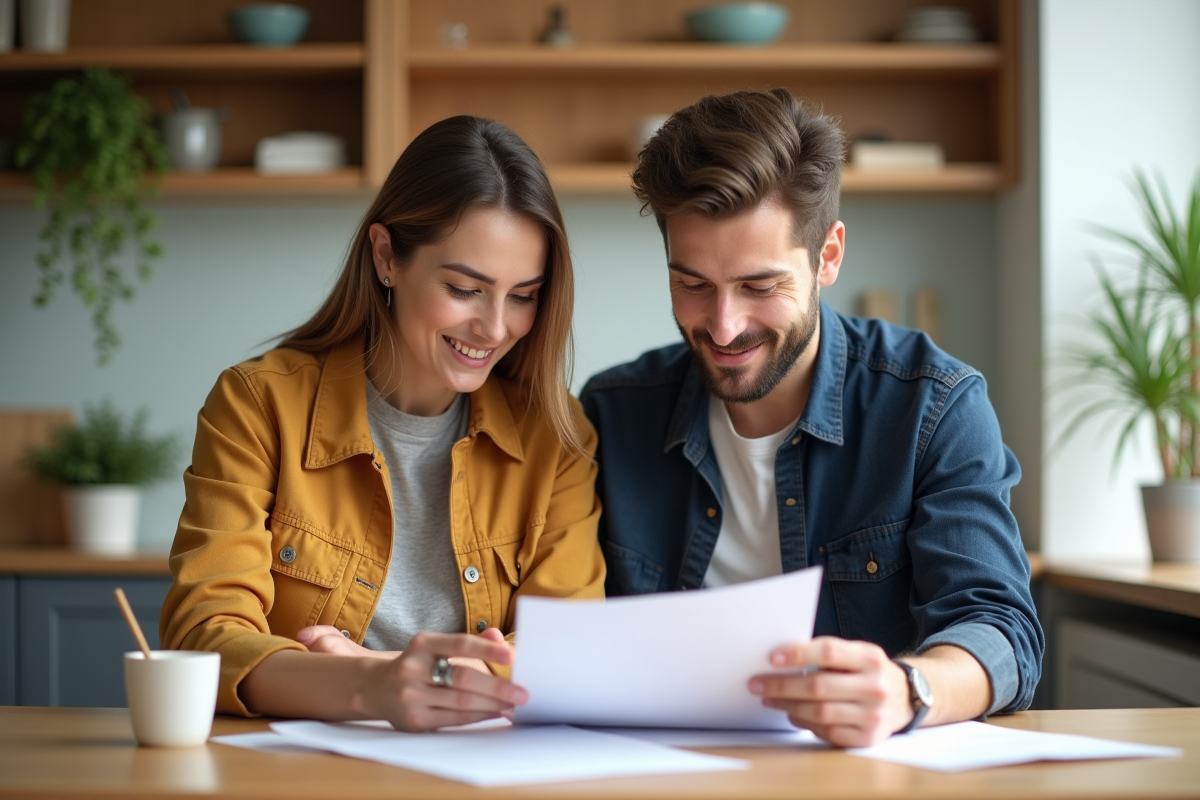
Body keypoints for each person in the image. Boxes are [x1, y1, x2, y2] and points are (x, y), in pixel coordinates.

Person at [580, 89, 1043, 747]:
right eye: (692, 284)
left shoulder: (931, 406)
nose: (723, 325)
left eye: (759, 287)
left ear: (828, 255)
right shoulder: (608, 414)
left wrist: (908, 690)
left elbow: (1001, 630)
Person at [160, 115, 605, 732]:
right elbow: (205, 634)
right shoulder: (257, 405)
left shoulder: (557, 438)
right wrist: (373, 685)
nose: (496, 328)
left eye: (523, 295)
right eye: (464, 288)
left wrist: (395, 672)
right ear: (386, 256)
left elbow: (569, 651)